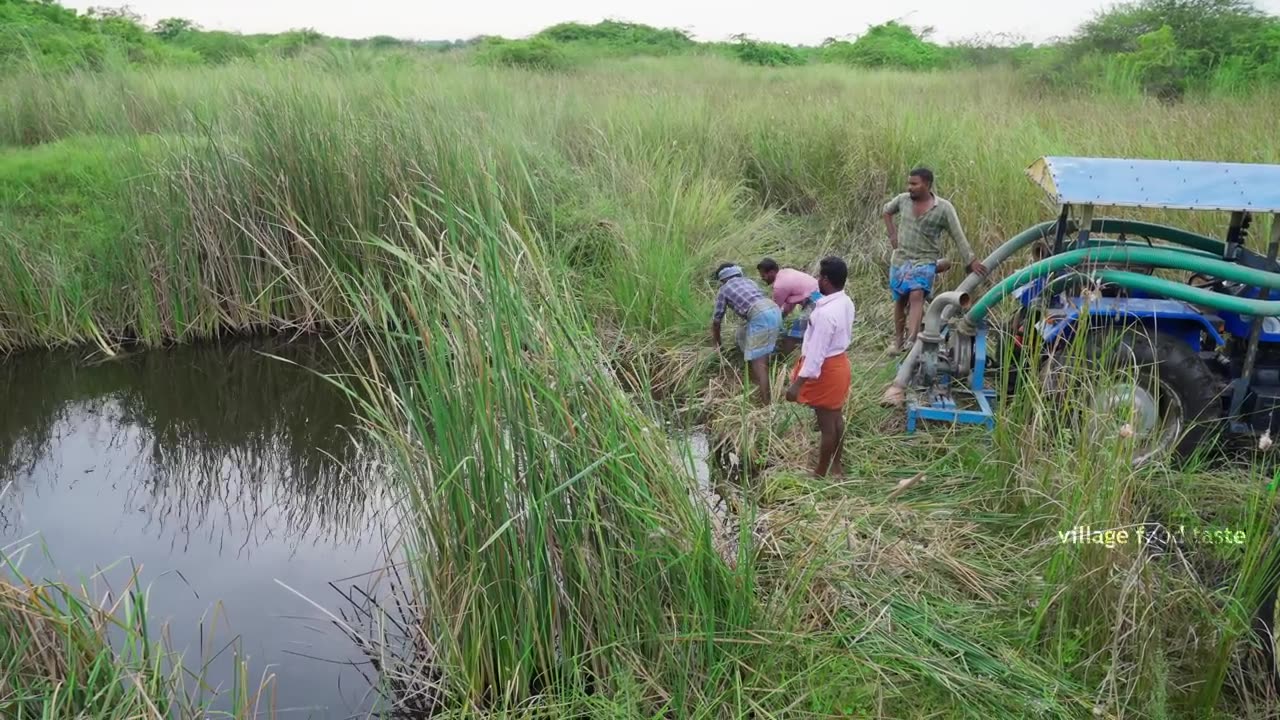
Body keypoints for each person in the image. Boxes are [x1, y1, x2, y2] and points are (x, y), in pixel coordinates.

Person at [883, 167, 987, 353]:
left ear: (927, 185)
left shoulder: (943, 208)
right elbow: (887, 211)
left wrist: (970, 260)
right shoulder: (903, 200)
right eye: (909, 183)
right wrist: (892, 235)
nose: (910, 187)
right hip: (901, 259)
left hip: (925, 260)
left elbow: (958, 235)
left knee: (917, 295)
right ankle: (898, 340)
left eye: (914, 184)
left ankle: (912, 342)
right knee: (900, 299)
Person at [785, 256, 856, 478]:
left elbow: (816, 354)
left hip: (826, 369)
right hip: (840, 365)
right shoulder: (845, 302)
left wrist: (797, 385)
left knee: (827, 425)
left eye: (819, 276)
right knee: (836, 418)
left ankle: (819, 473)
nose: (817, 280)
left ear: (826, 280)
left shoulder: (825, 314)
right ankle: (836, 467)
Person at [711, 263, 782, 405]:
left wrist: (718, 346)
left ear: (722, 279)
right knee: (742, 335)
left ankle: (766, 404)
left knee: (759, 362)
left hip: (759, 315)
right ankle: (757, 381)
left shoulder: (724, 289)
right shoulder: (749, 281)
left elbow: (716, 322)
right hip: (774, 309)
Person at [757, 258, 819, 356]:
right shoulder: (786, 273)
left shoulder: (779, 285)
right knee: (807, 330)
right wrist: (782, 317)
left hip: (816, 300)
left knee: (794, 334)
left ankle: (784, 360)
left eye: (763, 275)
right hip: (818, 295)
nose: (762, 278)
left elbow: (774, 311)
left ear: (772, 272)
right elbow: (789, 304)